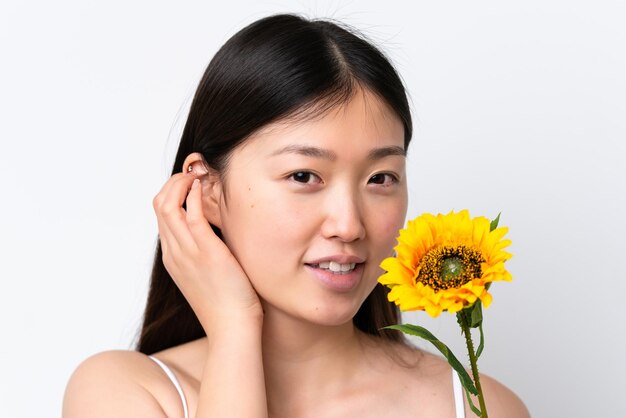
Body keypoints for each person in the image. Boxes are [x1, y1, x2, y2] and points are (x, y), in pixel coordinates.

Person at [63, 13, 529, 418]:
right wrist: (233, 325)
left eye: (381, 178)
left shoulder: (476, 406)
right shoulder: (124, 393)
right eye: (304, 176)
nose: (348, 225)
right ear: (205, 191)